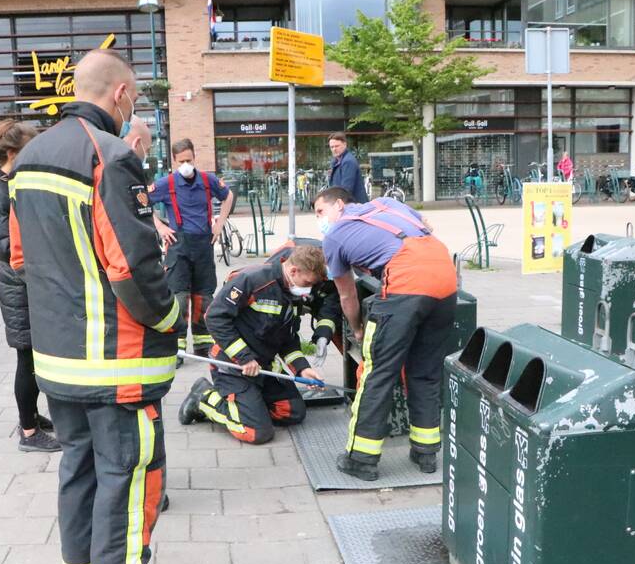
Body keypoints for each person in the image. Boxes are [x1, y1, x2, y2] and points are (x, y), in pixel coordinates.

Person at [8, 49, 192, 564]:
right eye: (134, 96)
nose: (134, 104)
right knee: (131, 476)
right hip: (117, 360)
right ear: (119, 95)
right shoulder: (111, 157)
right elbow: (132, 267)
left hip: (58, 361)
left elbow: (18, 262)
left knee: (79, 468)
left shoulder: (30, 158)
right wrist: (170, 318)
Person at [313, 187, 456, 481]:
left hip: (406, 283)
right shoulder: (388, 202)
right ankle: (426, 453)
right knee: (425, 372)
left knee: (377, 373)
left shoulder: (335, 236)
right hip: (445, 278)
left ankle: (361, 459)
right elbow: (426, 226)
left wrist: (356, 328)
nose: (320, 219)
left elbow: (347, 294)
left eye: (320, 211)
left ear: (339, 204)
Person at [0, 120, 60, 454]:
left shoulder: (11, 184)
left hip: (27, 281)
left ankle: (31, 415)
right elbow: (6, 246)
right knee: (28, 359)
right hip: (18, 285)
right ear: (14, 153)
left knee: (33, 357)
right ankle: (30, 432)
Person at [177, 246, 327, 444]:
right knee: (257, 433)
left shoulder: (291, 293)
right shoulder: (253, 281)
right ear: (293, 271)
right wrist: (244, 358)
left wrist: (302, 369)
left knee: (292, 412)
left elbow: (288, 340)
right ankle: (204, 398)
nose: (308, 290)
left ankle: (248, 405)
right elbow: (214, 318)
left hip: (262, 369)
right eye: (307, 283)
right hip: (233, 366)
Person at [148, 139, 234, 361]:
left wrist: (220, 223)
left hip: (204, 244)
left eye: (189, 160)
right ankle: (177, 349)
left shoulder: (208, 180)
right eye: (182, 161)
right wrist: (160, 226)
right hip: (178, 245)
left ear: (194, 157)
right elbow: (142, 202)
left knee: (203, 296)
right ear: (175, 161)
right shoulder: (166, 183)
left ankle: (203, 345)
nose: (186, 164)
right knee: (179, 296)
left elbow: (228, 196)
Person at [262, 237, 342, 368]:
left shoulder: (334, 273)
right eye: (307, 283)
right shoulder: (282, 264)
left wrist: (323, 336)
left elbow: (330, 308)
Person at [327, 132, 368, 204]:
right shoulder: (336, 161)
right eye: (332, 147)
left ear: (345, 144)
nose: (334, 149)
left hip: (353, 207)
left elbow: (346, 190)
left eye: (337, 146)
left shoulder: (348, 161)